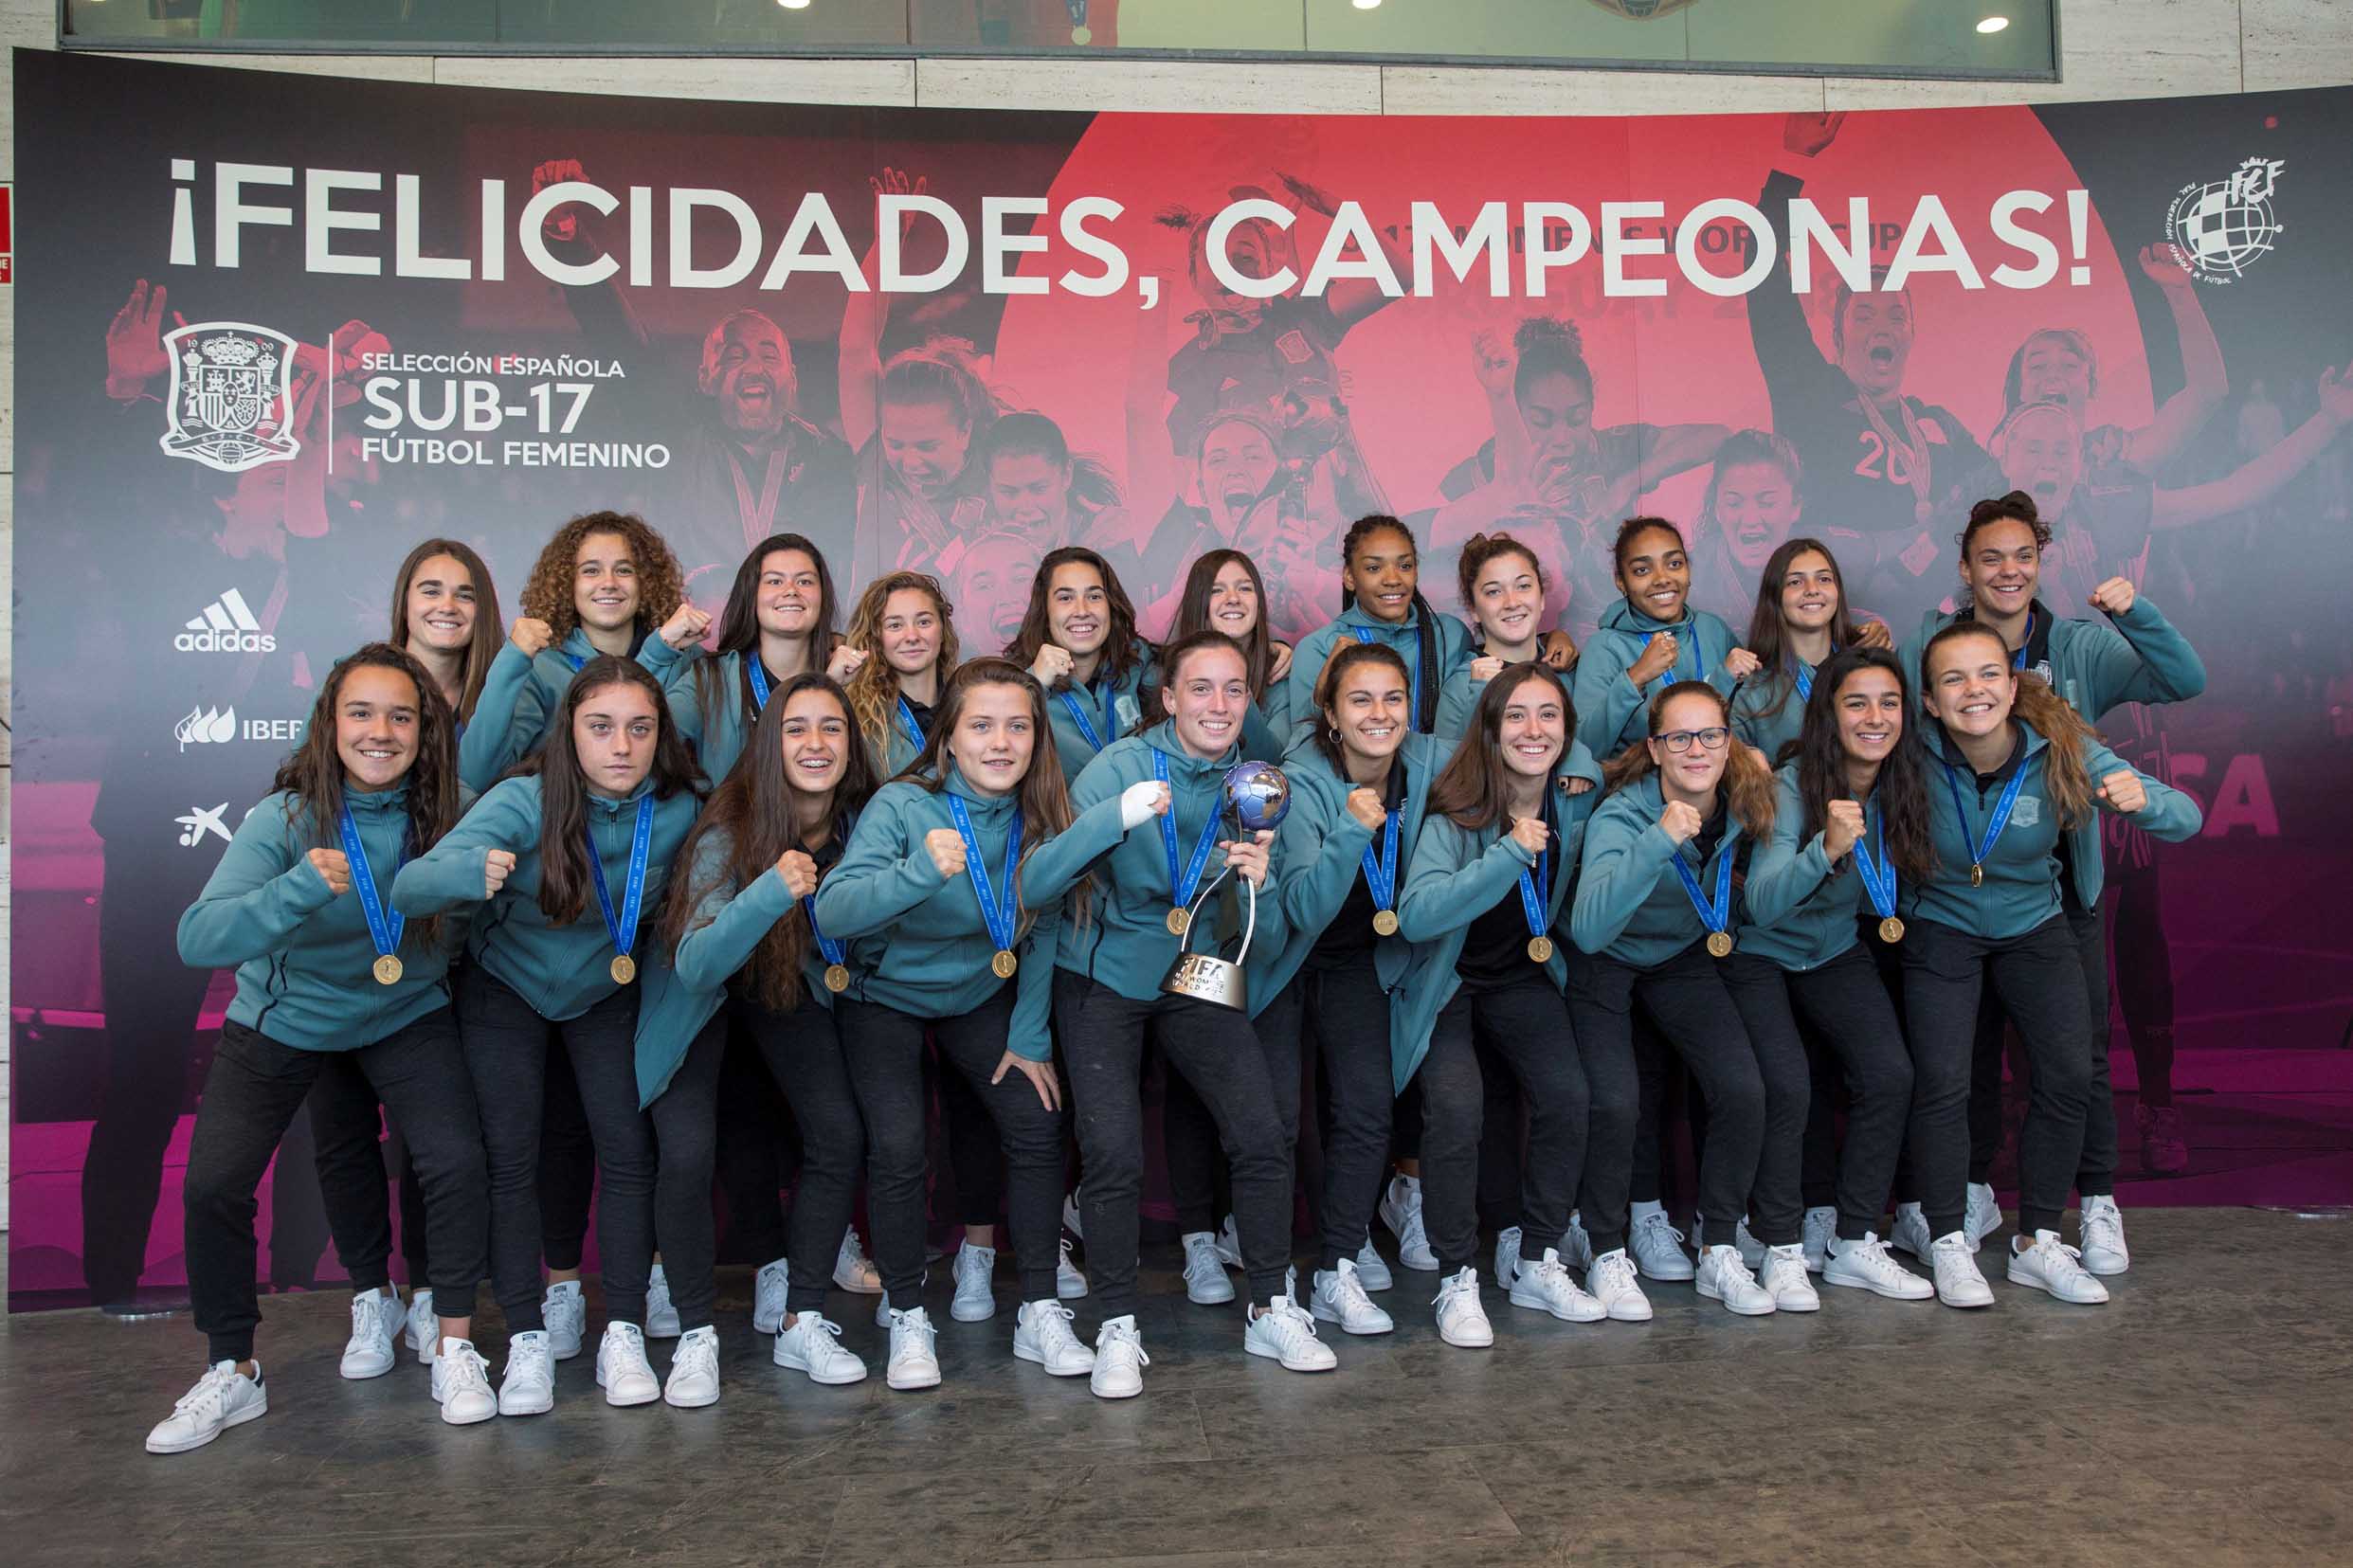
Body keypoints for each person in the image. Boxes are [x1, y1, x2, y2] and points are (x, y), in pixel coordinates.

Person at [151, 645, 496, 1451]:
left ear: (425, 730)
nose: (382, 732)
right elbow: (197, 936)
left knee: (454, 1161)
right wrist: (297, 888)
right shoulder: (286, 816)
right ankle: (233, 1369)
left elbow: (491, 901)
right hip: (285, 1017)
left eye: (401, 716)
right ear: (330, 726)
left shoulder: (456, 809)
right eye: (362, 713)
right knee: (213, 1185)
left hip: (405, 1010)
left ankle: (451, 1342)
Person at [815, 659, 1173, 1389]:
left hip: (982, 992)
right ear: (947, 737)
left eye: (1017, 725)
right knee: (900, 1143)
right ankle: (909, 1314)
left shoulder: (1041, 811)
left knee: (1038, 1120)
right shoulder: (902, 803)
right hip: (884, 994)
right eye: (980, 725)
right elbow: (833, 911)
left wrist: (1028, 1033)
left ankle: (1038, 1306)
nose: (1000, 741)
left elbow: (1045, 929)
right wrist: (917, 872)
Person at [1899, 491, 2210, 1267]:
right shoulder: (1929, 648)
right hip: (1952, 901)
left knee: (2078, 1057)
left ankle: (2093, 1201)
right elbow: (1882, 740)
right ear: (1965, 569)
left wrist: (2134, 614)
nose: (2007, 570)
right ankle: (1965, 1196)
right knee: (1959, 1058)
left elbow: (2182, 681)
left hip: (2058, 889)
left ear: (2041, 563)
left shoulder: (2075, 646)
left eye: (2022, 556)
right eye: (1990, 557)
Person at [391, 658, 706, 1415]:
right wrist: (466, 870)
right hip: (509, 991)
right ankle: (527, 1338)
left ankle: (623, 1330)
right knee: (511, 1160)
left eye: (640, 728)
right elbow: (408, 887)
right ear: (570, 732)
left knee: (628, 1156)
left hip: (609, 990)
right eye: (601, 727)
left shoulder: (680, 806)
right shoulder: (523, 799)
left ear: (660, 735)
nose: (621, 746)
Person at [1056, 630, 1333, 1397]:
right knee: (1111, 1151)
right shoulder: (1118, 766)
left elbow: (1263, 937)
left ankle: (1271, 1304)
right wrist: (1118, 818)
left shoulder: (1259, 783)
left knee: (1261, 1127)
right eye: (1201, 688)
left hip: (1198, 967)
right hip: (1105, 971)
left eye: (1235, 689)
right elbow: (1047, 879)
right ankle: (1116, 1324)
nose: (1219, 704)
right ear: (1169, 697)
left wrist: (1260, 881)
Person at [631, 674, 879, 1404]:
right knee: (685, 1150)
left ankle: (803, 1316)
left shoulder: (861, 818)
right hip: (700, 998)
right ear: (769, 745)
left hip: (783, 992)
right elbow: (699, 961)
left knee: (838, 1132)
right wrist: (771, 887)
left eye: (830, 727)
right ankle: (694, 1337)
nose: (814, 743)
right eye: (795, 728)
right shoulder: (728, 825)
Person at [1393, 661, 1617, 1343]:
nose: (1532, 729)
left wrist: (1589, 768)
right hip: (1449, 979)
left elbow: (1610, 767)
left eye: (1548, 715)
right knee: (1457, 1107)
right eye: (1515, 715)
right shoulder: (1455, 805)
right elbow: (1417, 915)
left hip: (1523, 976)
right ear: (1488, 729)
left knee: (1568, 1095)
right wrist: (1507, 856)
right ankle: (1456, 1276)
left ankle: (1537, 1258)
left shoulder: (1573, 795)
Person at [1568, 682, 1784, 1318]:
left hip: (1681, 957)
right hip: (1604, 961)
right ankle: (1606, 1249)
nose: (1696, 749)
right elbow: (1588, 927)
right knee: (1614, 1101)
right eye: (1679, 737)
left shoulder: (1744, 798)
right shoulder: (1621, 815)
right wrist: (1656, 840)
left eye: (1710, 735)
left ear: (1728, 741)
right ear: (1655, 749)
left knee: (1743, 1089)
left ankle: (1718, 1245)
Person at [1734, 647, 1943, 1305]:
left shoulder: (1900, 780)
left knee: (1889, 1074)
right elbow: (1761, 901)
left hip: (1831, 950)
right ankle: (1779, 1246)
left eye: (1887, 702)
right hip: (1759, 953)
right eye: (1856, 702)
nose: (1874, 717)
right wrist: (1822, 847)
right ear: (1828, 713)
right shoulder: (1792, 781)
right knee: (1787, 1086)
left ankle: (1854, 1239)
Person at [1749, 113, 2000, 621]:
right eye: (1863, 314)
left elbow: (1997, 496)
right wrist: (1791, 163)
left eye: (1895, 315)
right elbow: (1764, 278)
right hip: (1833, 621)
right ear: (1838, 337)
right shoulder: (1809, 392)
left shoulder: (1938, 424)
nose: (1880, 327)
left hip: (1929, 626)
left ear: (1911, 335)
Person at [1263, 642, 1436, 1334]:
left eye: (1392, 697)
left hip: (1357, 962)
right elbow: (1305, 908)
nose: (1378, 712)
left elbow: (1516, 741)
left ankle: (1340, 1258)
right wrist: (1350, 829)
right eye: (1359, 699)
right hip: (1284, 960)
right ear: (1329, 714)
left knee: (1366, 1108)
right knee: (1276, 1119)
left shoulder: (1425, 761)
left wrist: (1572, 767)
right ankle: (1271, 1280)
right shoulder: (1297, 781)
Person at [1433, 317, 1728, 639]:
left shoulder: (1615, 449)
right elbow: (1439, 547)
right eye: (1542, 422)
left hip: (1613, 630)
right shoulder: (1485, 469)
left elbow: (1717, 437)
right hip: (1519, 635)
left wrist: (1627, 483)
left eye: (1576, 419)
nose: (1562, 437)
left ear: (1591, 408)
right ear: (1517, 412)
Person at [460, 511, 710, 792]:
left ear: (646, 582)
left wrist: (660, 652)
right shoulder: (541, 667)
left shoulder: (684, 657)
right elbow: (477, 773)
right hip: (562, 828)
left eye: (624, 570)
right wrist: (512, 660)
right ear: (568, 584)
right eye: (591, 570)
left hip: (661, 831)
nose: (609, 583)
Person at [643, 532, 867, 785]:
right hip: (734, 824)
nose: (791, 591)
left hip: (824, 825)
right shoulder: (711, 679)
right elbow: (641, 733)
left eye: (805, 582)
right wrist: (661, 649)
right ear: (751, 595)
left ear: (822, 597)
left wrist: (832, 689)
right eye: (774, 581)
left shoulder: (850, 677)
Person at [1571, 516, 1756, 760]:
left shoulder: (1713, 630)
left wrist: (1731, 677)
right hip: (1642, 789)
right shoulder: (1604, 647)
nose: (1662, 578)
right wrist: (1635, 677)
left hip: (1715, 784)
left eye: (1674, 564)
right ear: (1620, 580)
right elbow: (1586, 748)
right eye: (1642, 570)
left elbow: (1743, 724)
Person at [1285, 514, 1475, 737]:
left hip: (1440, 770)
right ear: (1349, 577)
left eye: (1405, 565)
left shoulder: (1450, 635)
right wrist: (1323, 693)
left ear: (1416, 571)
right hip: (1354, 771)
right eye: (1374, 568)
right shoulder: (1318, 648)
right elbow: (1303, 744)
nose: (1393, 579)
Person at [1729, 537, 1891, 767]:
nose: (1812, 590)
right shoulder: (1751, 689)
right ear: (1775, 596)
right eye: (1795, 582)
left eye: (1824, 579)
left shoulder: (1868, 666)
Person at [1008, 547, 1156, 785]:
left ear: (1111, 605)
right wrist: (1033, 685)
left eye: (1094, 596)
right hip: (1065, 822)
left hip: (1142, 817)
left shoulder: (1140, 663)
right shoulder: (1012, 681)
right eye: (1065, 598)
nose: (1082, 611)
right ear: (1045, 610)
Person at [1436, 531, 1580, 745]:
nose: (1512, 602)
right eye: (1493, 591)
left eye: (1523, 586)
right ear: (1473, 608)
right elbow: (1447, 768)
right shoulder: (1460, 687)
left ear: (1541, 597)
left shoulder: (1567, 669)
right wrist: (1479, 696)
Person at [1167, 547, 1295, 751]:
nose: (1233, 598)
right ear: (1198, 602)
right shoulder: (1165, 668)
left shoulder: (1279, 676)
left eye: (1244, 588)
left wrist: (1237, 687)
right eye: (1216, 590)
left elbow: (1275, 762)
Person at [842, 570, 961, 779]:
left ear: (942, 629)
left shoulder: (970, 703)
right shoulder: (859, 718)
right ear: (876, 637)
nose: (912, 636)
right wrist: (832, 685)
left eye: (924, 622)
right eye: (895, 625)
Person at [1688, 430, 1806, 626]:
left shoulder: (1826, 554)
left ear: (1796, 507)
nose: (1750, 520)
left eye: (1767, 503)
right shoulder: (1691, 575)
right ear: (1717, 508)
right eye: (1734, 503)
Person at [389, 538, 506, 730]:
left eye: (465, 596)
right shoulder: (355, 683)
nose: (447, 607)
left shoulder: (501, 700)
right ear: (404, 603)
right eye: (431, 592)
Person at [978, 410, 1127, 556]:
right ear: (990, 484)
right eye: (1008, 492)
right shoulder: (974, 543)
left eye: (1039, 489)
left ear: (1067, 475)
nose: (1025, 507)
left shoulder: (1116, 539)